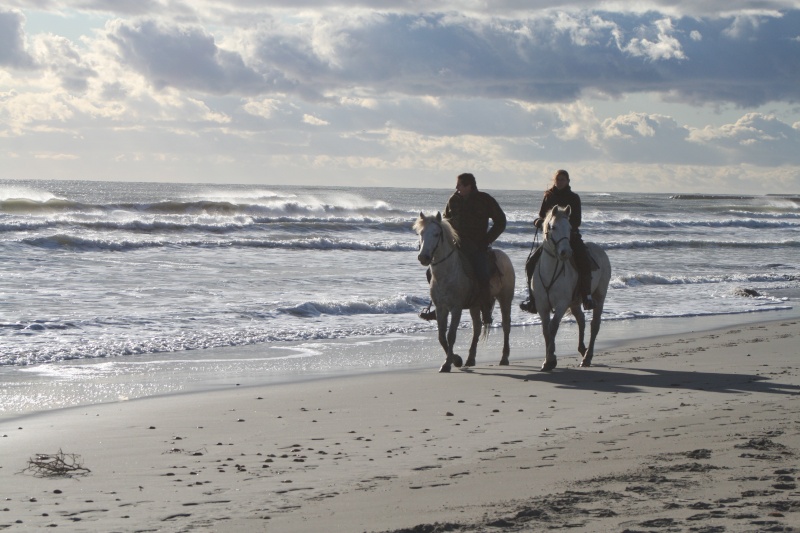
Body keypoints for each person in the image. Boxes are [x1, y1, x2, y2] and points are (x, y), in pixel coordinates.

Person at [419, 173, 507, 324]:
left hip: (477, 246)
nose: (456, 188)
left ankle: (485, 309)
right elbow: (445, 222)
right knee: (431, 272)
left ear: (469, 186)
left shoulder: (484, 200)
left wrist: (486, 240)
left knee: (482, 273)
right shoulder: (453, 200)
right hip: (456, 246)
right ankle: (438, 305)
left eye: (460, 185)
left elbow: (501, 221)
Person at [519, 169, 594, 313]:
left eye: (563, 180)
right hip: (552, 240)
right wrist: (538, 222)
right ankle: (532, 300)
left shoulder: (574, 198)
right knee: (530, 263)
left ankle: (587, 297)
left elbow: (577, 221)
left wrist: (564, 226)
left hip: (569, 236)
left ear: (568, 181)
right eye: (558, 179)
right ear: (555, 180)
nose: (560, 182)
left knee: (584, 260)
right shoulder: (548, 196)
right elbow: (541, 215)